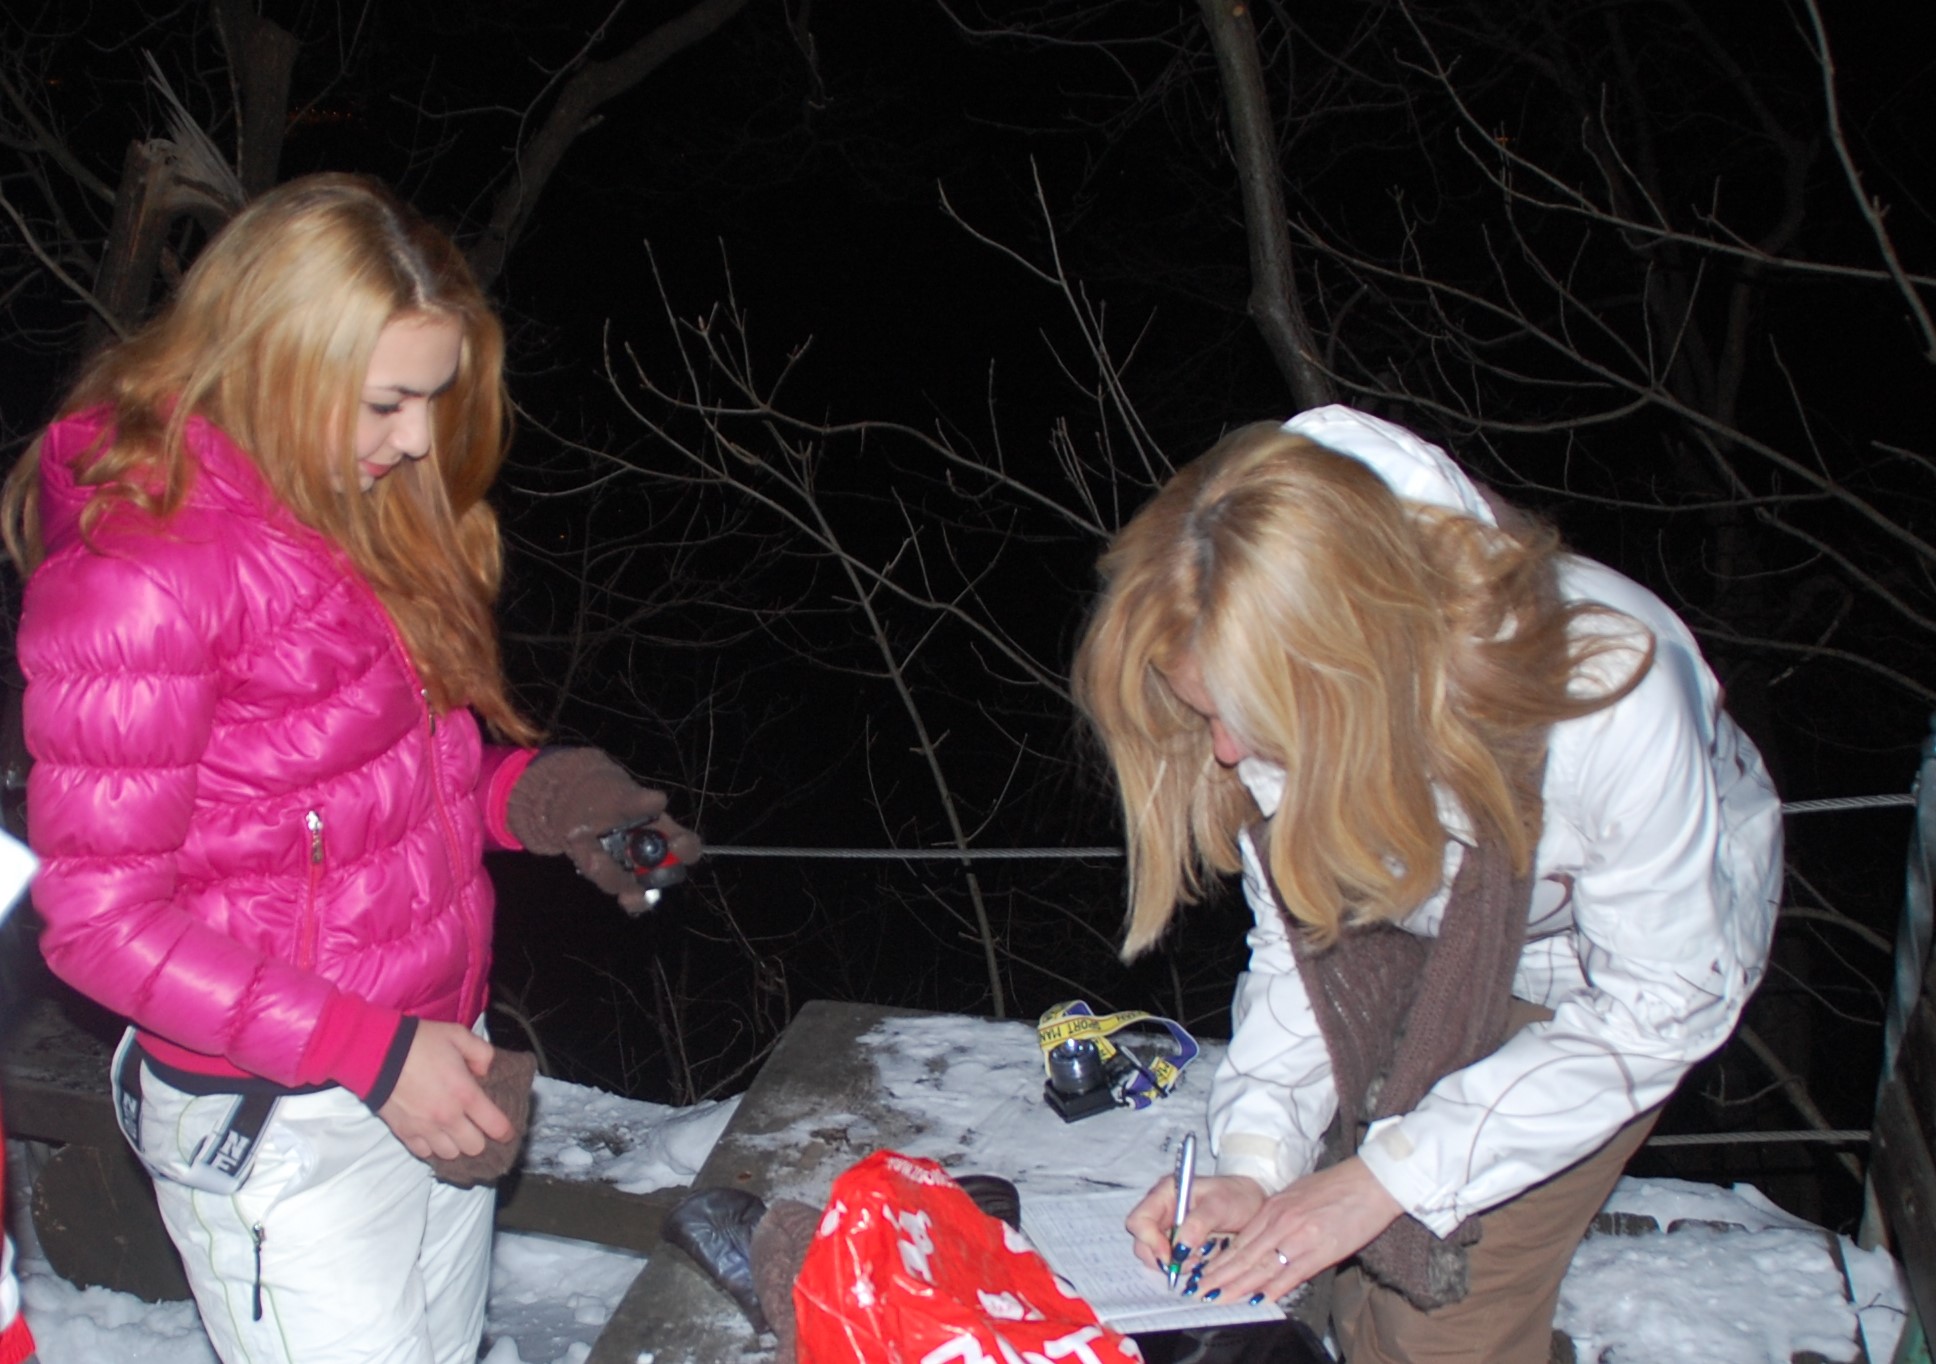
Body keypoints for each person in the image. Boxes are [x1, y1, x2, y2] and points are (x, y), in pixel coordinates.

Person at [0, 173, 699, 1364]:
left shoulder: (343, 508)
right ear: (276, 367)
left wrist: (540, 796)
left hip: (428, 1057)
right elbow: (98, 923)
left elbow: (352, 798)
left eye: (432, 398)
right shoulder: (137, 575)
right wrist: (372, 1053)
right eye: (388, 402)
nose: (419, 438)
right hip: (284, 1118)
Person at [1076, 407, 1782, 1363]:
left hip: (1609, 976)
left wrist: (1387, 1179)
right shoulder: (1269, 679)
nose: (1230, 753)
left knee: (1433, 1317)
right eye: (1209, 713)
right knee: (1318, 1252)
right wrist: (1254, 1162)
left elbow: (1660, 1006)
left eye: (1249, 717)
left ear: (1352, 669)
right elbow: (1305, 952)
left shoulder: (1608, 694)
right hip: (1419, 929)